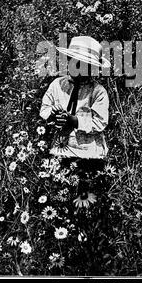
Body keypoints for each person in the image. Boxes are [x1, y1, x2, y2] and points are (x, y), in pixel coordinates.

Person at [39, 36, 110, 194]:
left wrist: (74, 120)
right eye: (75, 62)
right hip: (61, 150)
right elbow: (44, 108)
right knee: (60, 194)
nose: (78, 68)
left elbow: (100, 121)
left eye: (85, 65)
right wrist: (53, 115)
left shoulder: (97, 92)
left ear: (93, 69)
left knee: (87, 194)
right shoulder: (58, 85)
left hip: (88, 153)